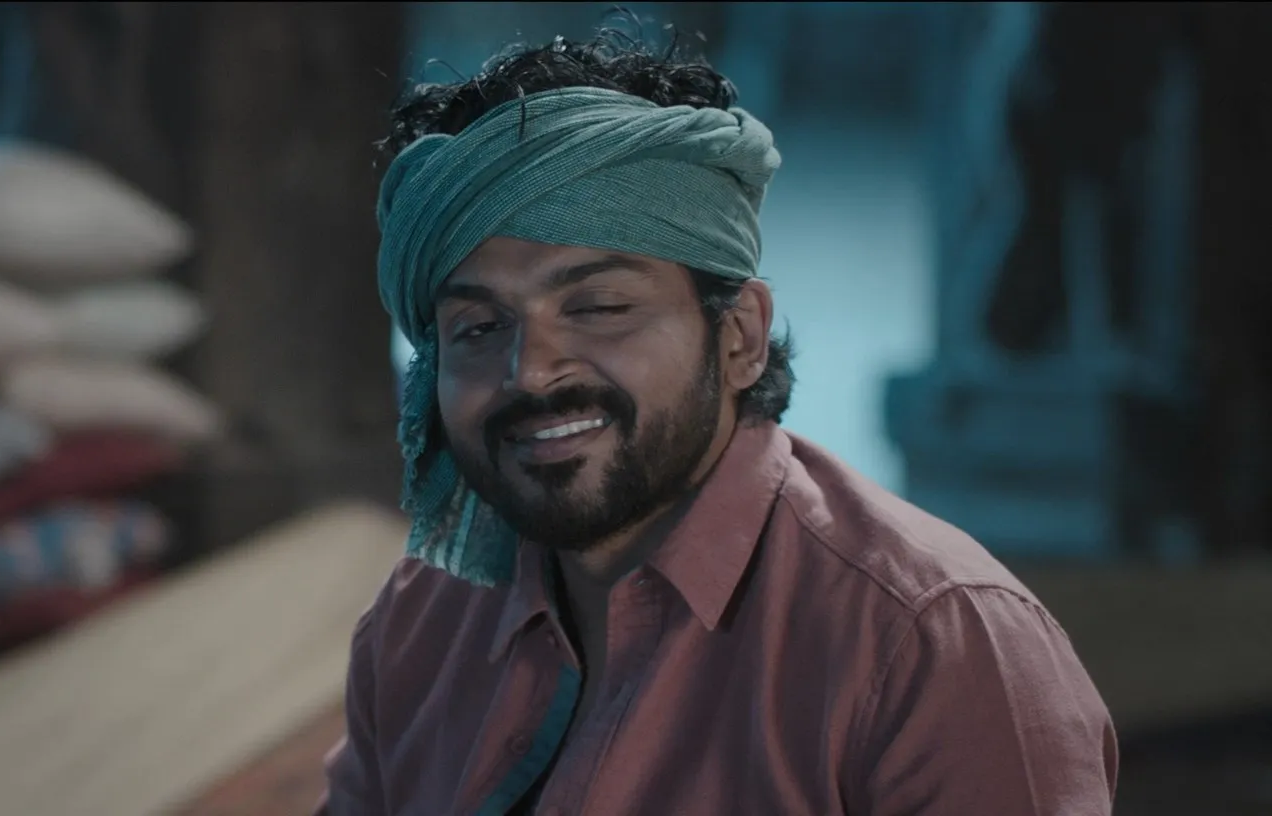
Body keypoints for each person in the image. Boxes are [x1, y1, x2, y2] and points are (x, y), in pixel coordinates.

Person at [318, 27, 1118, 816]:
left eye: (598, 307)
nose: (529, 371)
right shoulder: (425, 620)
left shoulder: (930, 647)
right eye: (479, 328)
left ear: (739, 337)